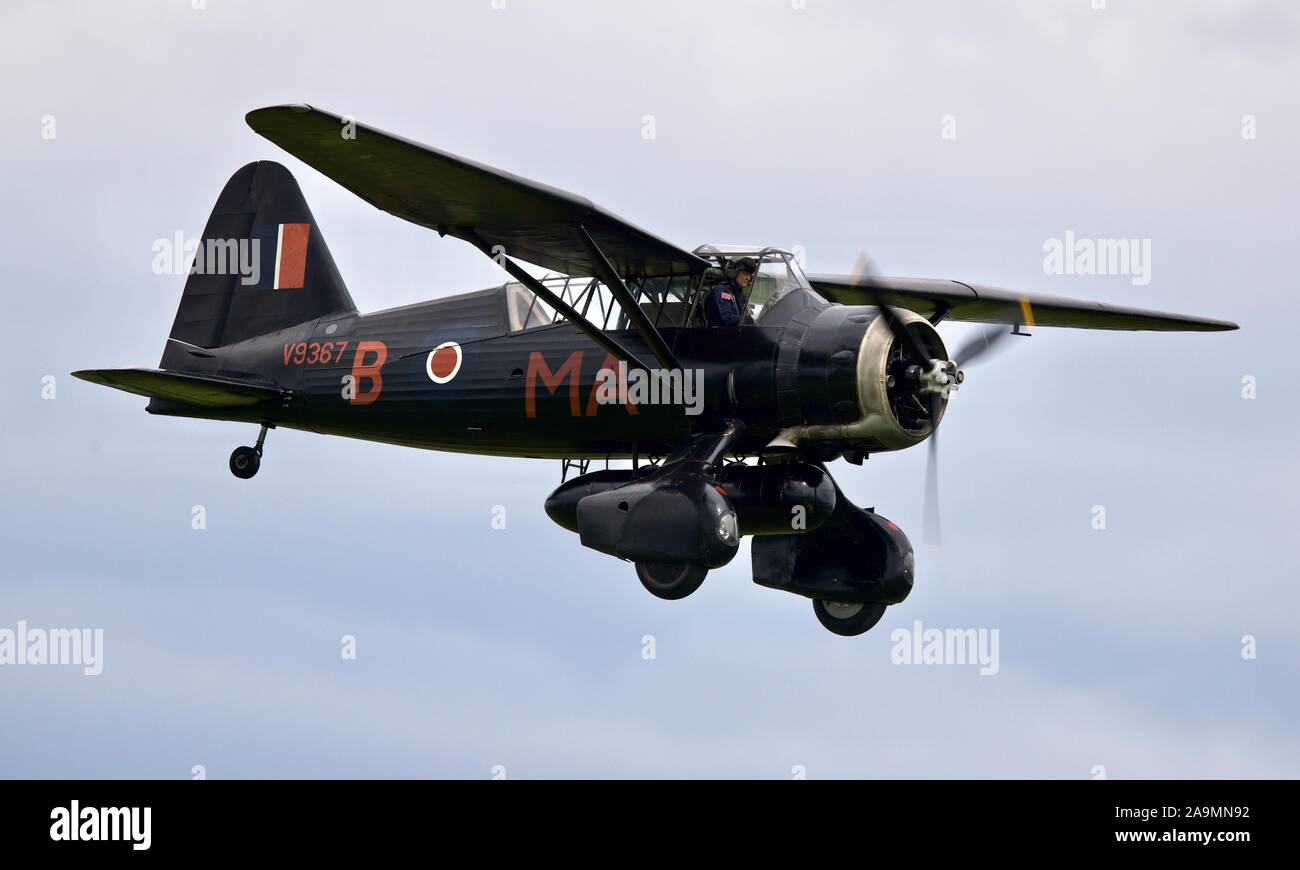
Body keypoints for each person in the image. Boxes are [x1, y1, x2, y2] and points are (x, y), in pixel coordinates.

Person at [702, 257, 757, 327]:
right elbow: (727, 318)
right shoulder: (721, 291)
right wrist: (748, 320)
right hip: (720, 335)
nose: (748, 278)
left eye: (749, 274)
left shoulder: (739, 293)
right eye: (745, 273)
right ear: (734, 272)